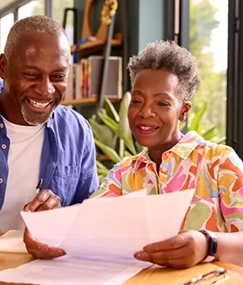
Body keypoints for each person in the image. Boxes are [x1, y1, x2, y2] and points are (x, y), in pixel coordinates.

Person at [0, 15, 99, 257]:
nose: (46, 90)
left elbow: (91, 216)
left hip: (45, 271)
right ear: (3, 67)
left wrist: (63, 216)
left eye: (57, 76)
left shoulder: (77, 130)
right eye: (32, 75)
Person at [91, 40, 243, 268]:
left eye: (162, 103)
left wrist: (208, 244)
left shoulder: (220, 163)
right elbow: (86, 228)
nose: (145, 112)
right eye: (137, 101)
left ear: (184, 111)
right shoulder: (123, 174)